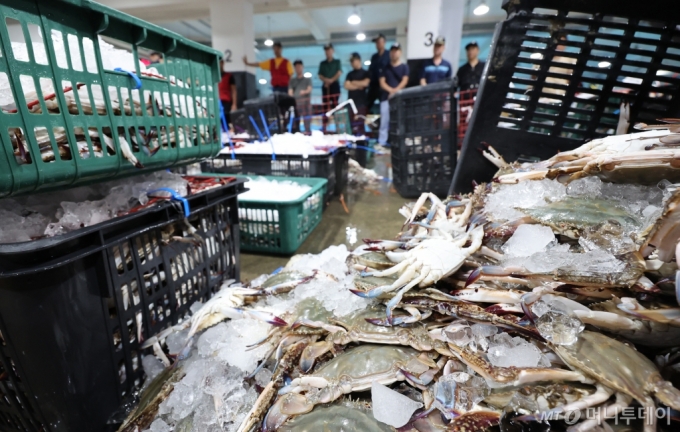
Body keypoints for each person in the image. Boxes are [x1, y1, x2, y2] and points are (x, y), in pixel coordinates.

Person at [378, 43, 409, 144]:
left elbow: (405, 81)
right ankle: (382, 143)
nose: (394, 53)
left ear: (400, 52)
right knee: (384, 122)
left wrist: (395, 92)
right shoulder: (384, 67)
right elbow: (382, 82)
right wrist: (391, 91)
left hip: (399, 99)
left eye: (396, 50)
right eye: (392, 51)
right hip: (385, 99)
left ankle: (399, 143)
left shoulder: (404, 67)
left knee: (399, 122)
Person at [344, 52, 371, 134]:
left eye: (353, 61)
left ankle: (361, 144)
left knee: (360, 125)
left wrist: (353, 82)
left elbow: (365, 83)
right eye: (351, 61)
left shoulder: (365, 73)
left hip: (361, 104)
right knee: (352, 127)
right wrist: (359, 85)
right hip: (351, 105)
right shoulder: (350, 74)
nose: (352, 63)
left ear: (359, 60)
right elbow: (346, 86)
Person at [318, 43, 342, 131]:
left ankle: (338, 127)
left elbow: (339, 72)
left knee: (335, 105)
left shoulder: (337, 62)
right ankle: (324, 127)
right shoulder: (322, 63)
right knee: (325, 106)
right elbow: (320, 75)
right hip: (325, 86)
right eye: (326, 50)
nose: (327, 52)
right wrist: (326, 80)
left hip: (335, 86)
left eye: (329, 50)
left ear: (333, 51)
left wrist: (331, 80)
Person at [367, 33, 390, 113]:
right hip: (373, 86)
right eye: (376, 43)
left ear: (384, 42)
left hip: (384, 87)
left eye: (379, 42)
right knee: (366, 106)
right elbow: (370, 71)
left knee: (385, 108)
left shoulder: (389, 55)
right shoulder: (374, 57)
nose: (377, 44)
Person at [288, 59, 313, 133]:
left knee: (307, 122)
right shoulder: (292, 80)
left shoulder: (307, 79)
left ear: (302, 67)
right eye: (296, 67)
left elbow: (309, 89)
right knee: (295, 124)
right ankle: (296, 134)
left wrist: (304, 92)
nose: (298, 68)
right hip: (296, 104)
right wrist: (292, 96)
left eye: (299, 66)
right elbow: (290, 91)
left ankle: (308, 133)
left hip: (306, 104)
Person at [218, 59, 238, 129]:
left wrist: (234, 104)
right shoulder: (213, 76)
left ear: (222, 63)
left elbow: (234, 90)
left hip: (225, 103)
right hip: (215, 102)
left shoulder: (229, 76)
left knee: (225, 122)